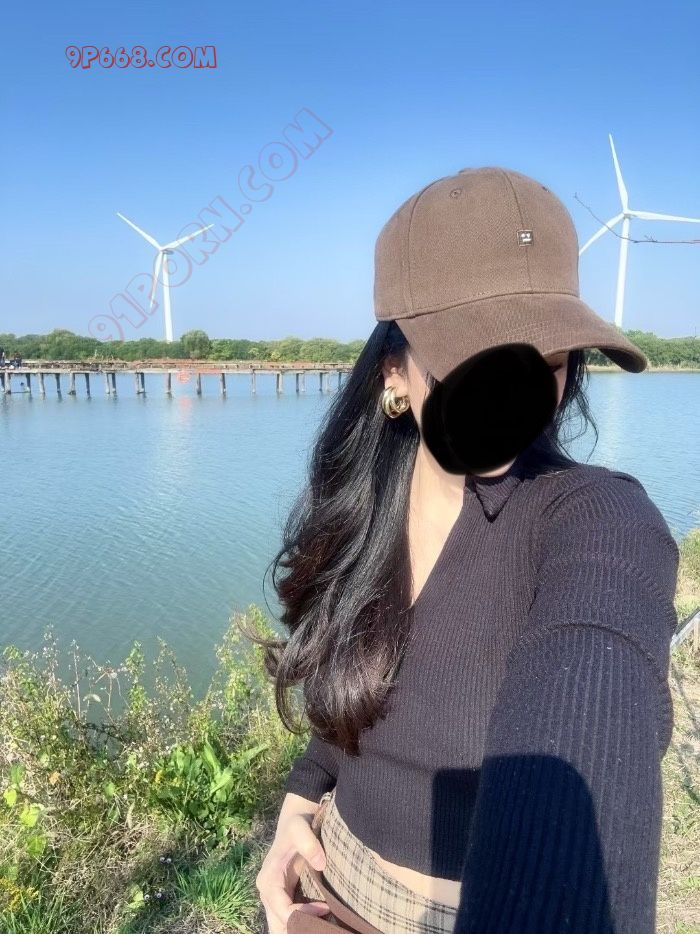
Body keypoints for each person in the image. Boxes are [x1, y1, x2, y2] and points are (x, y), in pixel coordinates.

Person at [251, 167, 679, 933]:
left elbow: (591, 728)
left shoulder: (600, 521)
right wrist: (298, 797)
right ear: (394, 371)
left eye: (546, 360)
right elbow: (353, 706)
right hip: (321, 893)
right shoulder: (365, 519)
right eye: (480, 363)